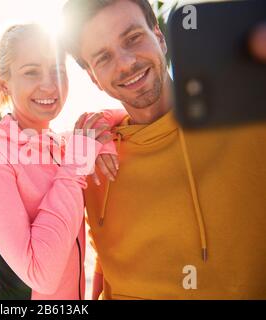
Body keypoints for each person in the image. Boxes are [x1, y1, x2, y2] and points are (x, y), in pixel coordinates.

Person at [62, 0, 266, 299]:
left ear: (159, 36)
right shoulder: (94, 157)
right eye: (103, 57)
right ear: (93, 76)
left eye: (133, 38)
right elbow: (103, 267)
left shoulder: (245, 121)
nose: (125, 63)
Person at [0, 24, 124, 299]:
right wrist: (76, 163)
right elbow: (41, 274)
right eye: (31, 72)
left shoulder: (59, 146)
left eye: (58, 71)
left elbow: (116, 114)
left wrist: (101, 134)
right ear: (5, 84)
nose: (50, 84)